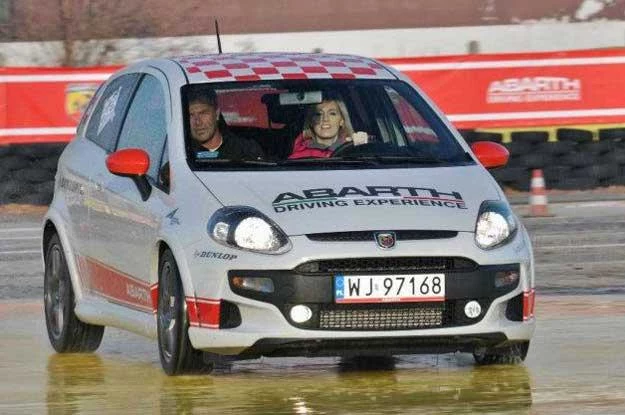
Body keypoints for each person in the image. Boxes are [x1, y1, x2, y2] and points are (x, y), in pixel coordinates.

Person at [188, 87, 264, 160]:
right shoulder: (183, 154)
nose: (197, 122)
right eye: (190, 115)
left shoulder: (246, 150)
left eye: (203, 113)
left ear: (217, 114)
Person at [288, 97, 368, 159]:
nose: (325, 119)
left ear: (342, 121)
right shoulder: (298, 157)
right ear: (311, 122)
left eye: (332, 114)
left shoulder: (354, 149)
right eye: (318, 114)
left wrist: (362, 148)